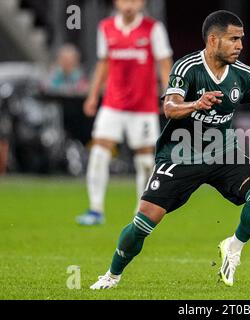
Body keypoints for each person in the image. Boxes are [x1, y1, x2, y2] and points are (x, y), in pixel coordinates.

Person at [89, 10, 250, 289]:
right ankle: (111, 275)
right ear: (213, 40)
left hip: (224, 153)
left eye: (241, 39)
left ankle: (232, 248)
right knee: (143, 223)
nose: (240, 45)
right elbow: (170, 107)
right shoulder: (188, 68)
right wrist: (195, 104)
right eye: (233, 39)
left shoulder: (243, 74)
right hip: (180, 155)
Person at [76, 0, 173, 225]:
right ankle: (95, 209)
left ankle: (142, 211)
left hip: (143, 106)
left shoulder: (153, 29)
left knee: (145, 159)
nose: (129, 4)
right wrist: (93, 95)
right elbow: (104, 63)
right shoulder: (106, 27)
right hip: (113, 104)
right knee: (99, 151)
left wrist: (170, 94)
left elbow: (165, 63)